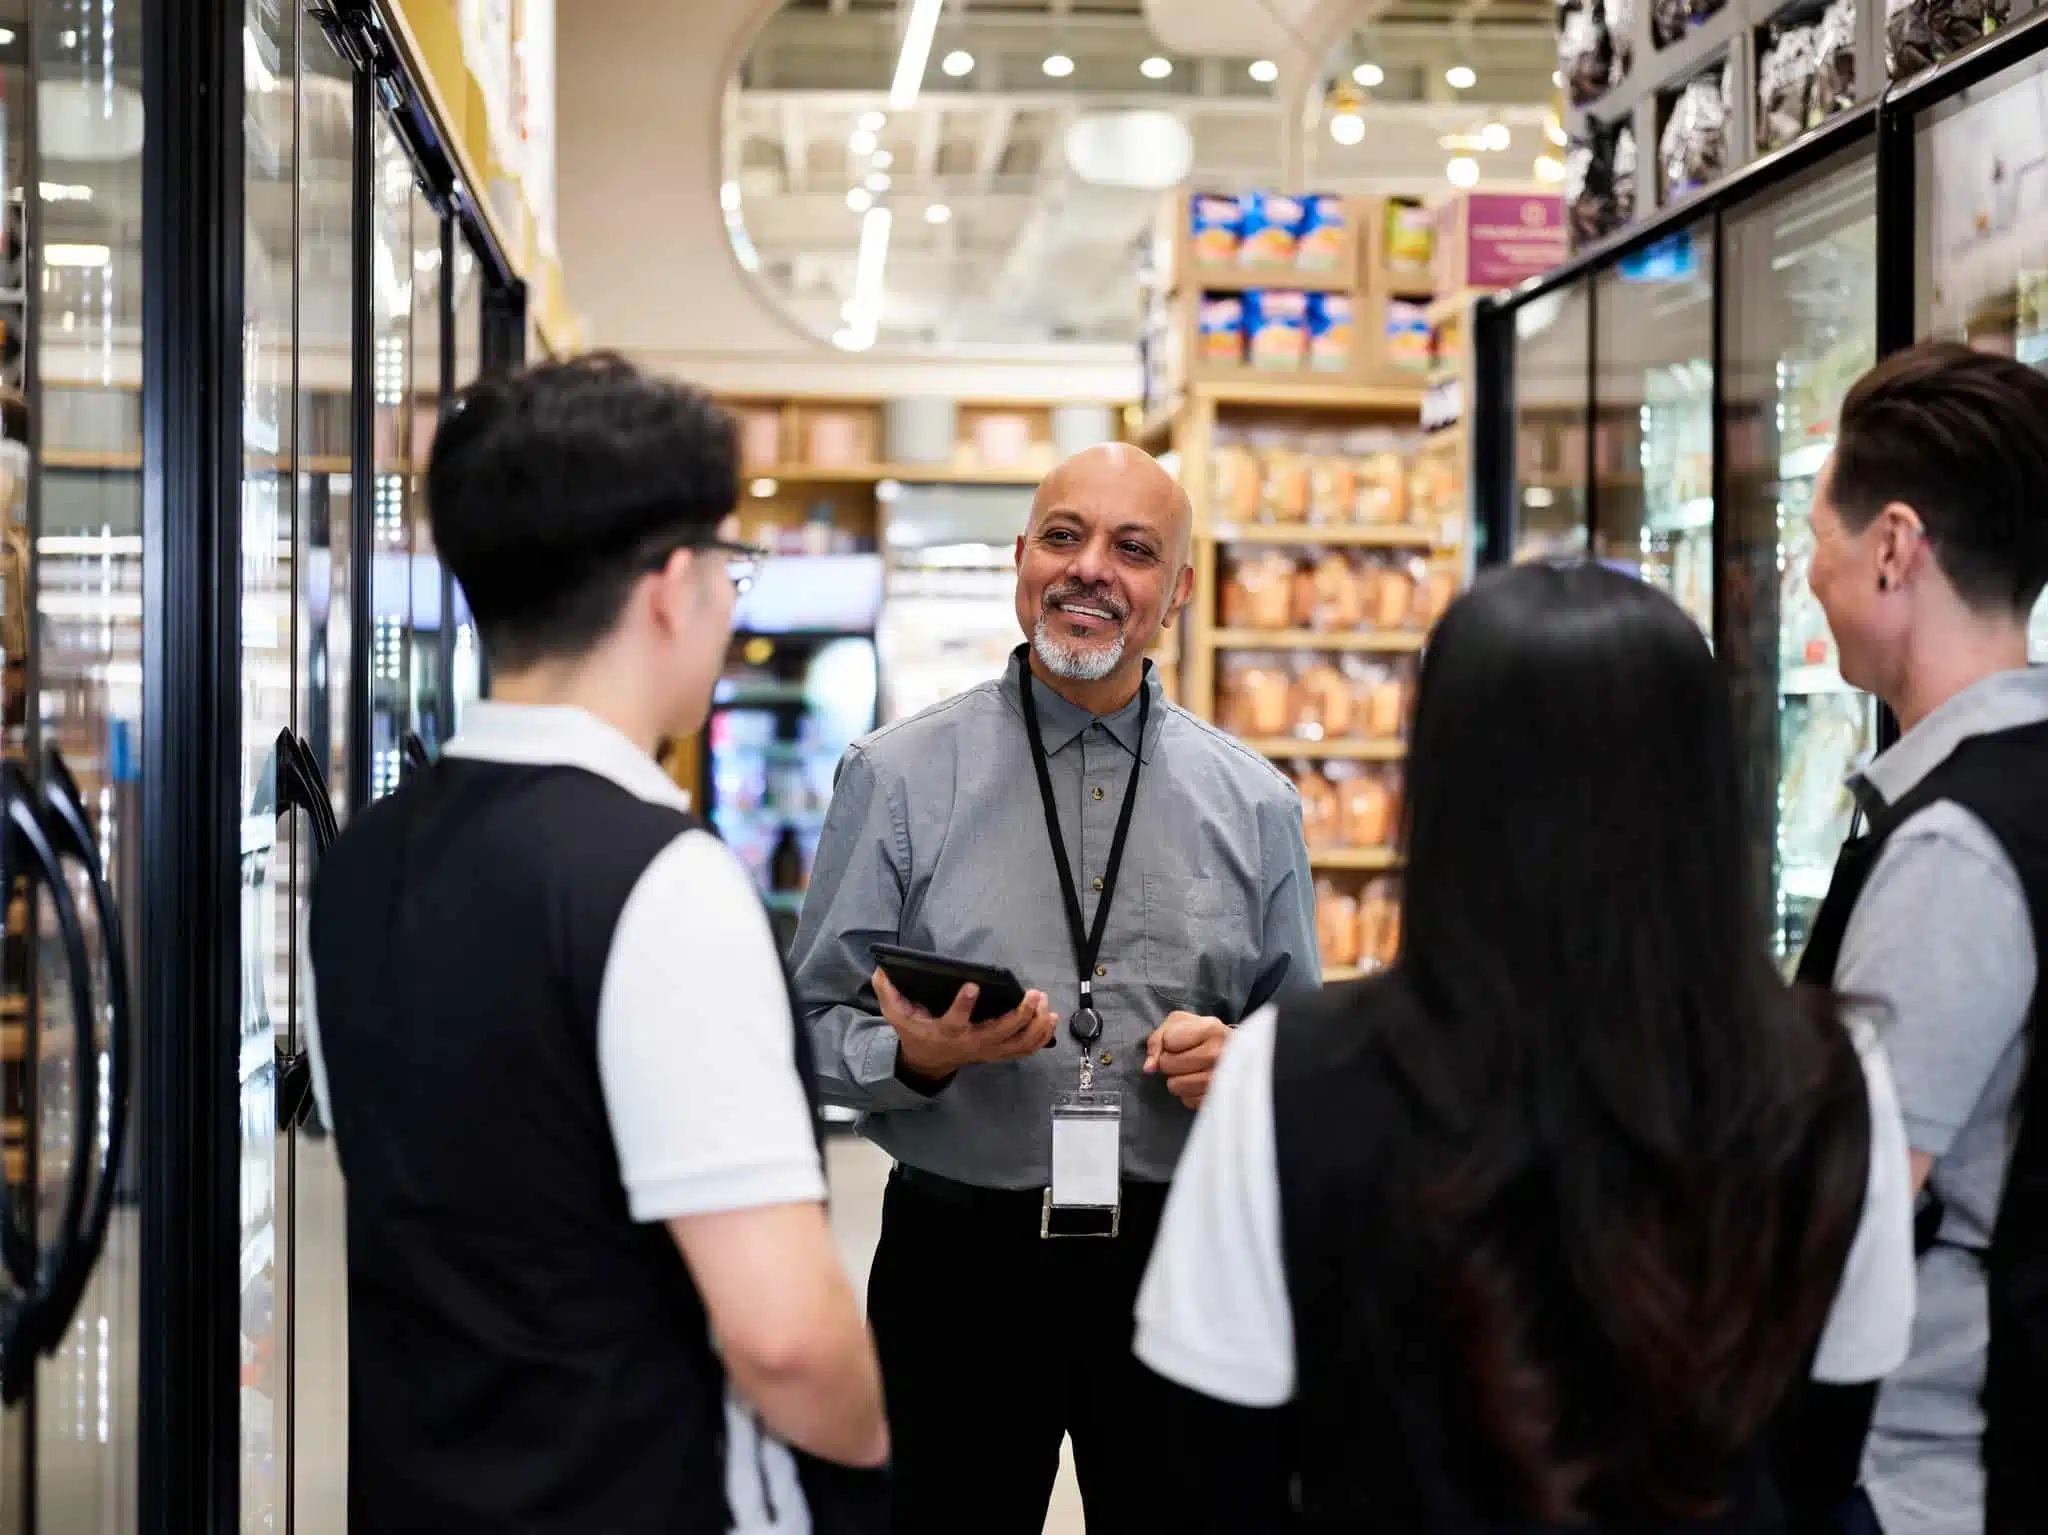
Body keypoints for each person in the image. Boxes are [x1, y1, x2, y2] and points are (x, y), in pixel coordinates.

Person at [1135, 562, 1916, 1532]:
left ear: (1440, 784)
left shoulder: (1284, 1075)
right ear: (1707, 784)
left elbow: (1210, 1470)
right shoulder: (1833, 1073)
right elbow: (1824, 1451)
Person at [304, 354, 889, 1533]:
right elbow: (781, 1335)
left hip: (424, 1485)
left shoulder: (364, 853)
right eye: (731, 562)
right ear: (671, 586)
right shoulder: (659, 880)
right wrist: (876, 1455)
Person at [789, 441, 1320, 1532]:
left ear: (1175, 595)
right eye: (1065, 537)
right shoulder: (893, 779)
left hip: (1180, 1260)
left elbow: (1300, 1054)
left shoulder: (1255, 804)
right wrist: (916, 1054)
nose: (1090, 570)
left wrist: (1248, 1068)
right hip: (958, 1267)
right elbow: (805, 1027)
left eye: (1132, 549)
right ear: (1020, 561)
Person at [1796, 340, 2048, 1533]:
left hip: (1923, 1472)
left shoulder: (1952, 845)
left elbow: (1847, 1211)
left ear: (1891, 546)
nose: (1807, 574)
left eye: (1814, 539)